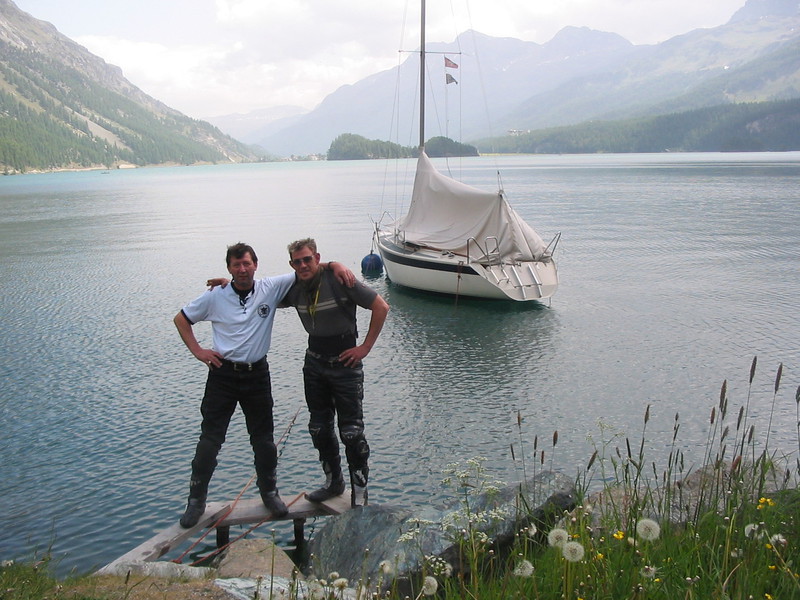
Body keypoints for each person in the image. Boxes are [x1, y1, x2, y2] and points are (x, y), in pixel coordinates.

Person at [174, 242, 354, 528]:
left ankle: (269, 493)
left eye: (247, 264)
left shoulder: (270, 288)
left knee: (264, 440)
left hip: (257, 374)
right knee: (210, 440)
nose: (242, 269)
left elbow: (306, 268)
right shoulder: (215, 296)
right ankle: (196, 501)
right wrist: (199, 351)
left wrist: (335, 265)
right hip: (222, 375)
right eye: (236, 265)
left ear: (255, 265)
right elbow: (182, 319)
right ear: (229, 268)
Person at [282, 238, 389, 507]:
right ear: (292, 265)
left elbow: (381, 307)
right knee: (319, 428)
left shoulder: (340, 279)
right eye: (297, 262)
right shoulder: (292, 287)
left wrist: (365, 347)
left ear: (317, 258)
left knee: (351, 432)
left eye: (308, 259)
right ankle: (333, 482)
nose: (303, 265)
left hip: (345, 364)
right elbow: (256, 293)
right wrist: (229, 285)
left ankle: (360, 492)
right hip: (315, 363)